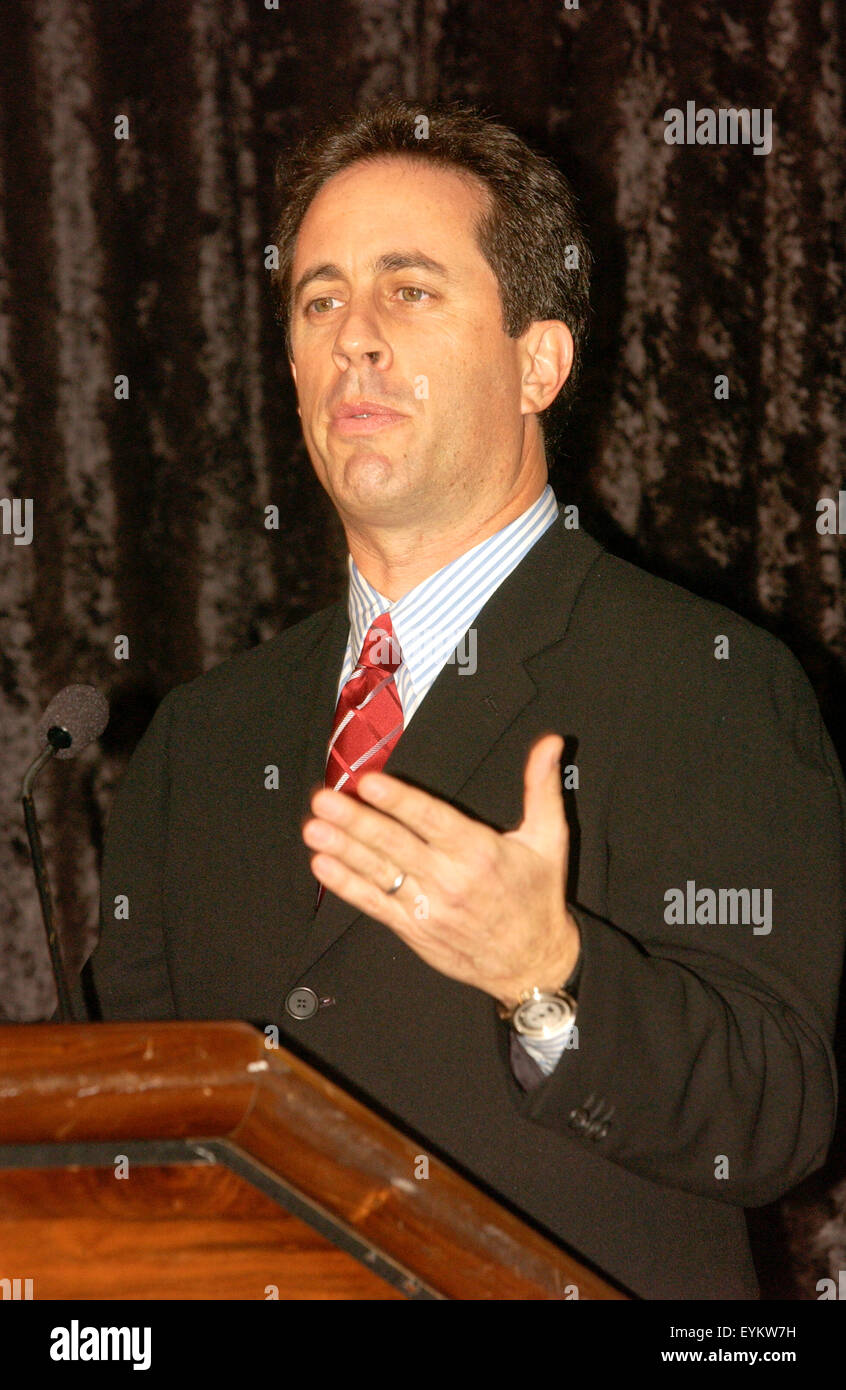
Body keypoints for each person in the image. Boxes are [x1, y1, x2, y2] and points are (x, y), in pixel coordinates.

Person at [90, 98, 846, 1300]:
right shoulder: (202, 736)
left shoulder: (705, 678)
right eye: (320, 300)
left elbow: (776, 1118)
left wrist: (549, 973)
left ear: (538, 360)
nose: (356, 339)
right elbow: (130, 1134)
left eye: (411, 290)